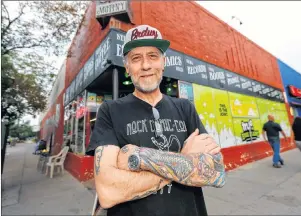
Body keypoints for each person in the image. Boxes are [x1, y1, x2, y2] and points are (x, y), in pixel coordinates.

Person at [86, 24, 226, 216]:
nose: (145, 65)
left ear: (163, 62)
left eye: (153, 56)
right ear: (127, 67)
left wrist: (138, 158)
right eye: (136, 58)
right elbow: (109, 192)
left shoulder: (185, 108)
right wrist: (185, 160)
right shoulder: (110, 110)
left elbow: (216, 172)